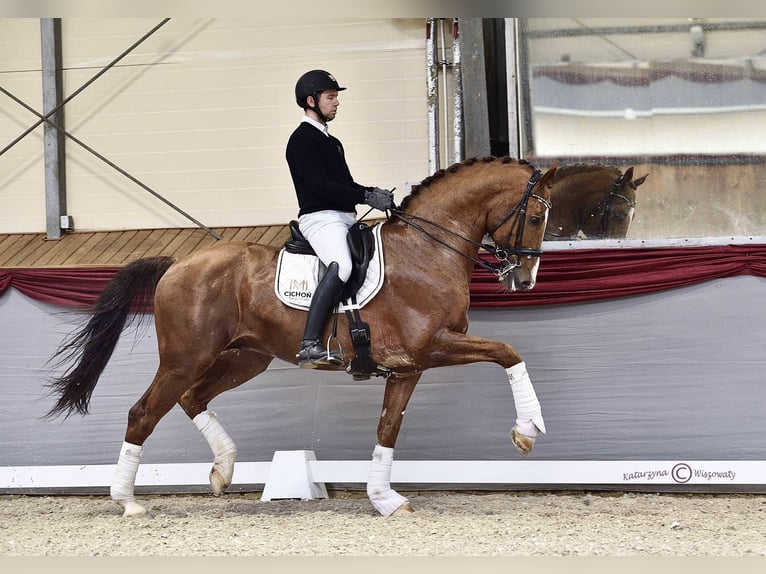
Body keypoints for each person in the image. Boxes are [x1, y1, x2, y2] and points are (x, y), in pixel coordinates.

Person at [286, 69, 395, 369]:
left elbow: (345, 185)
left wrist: (372, 192)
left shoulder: (332, 142)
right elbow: (321, 187)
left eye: (336, 97)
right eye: (330, 97)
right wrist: (364, 197)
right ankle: (309, 343)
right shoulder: (301, 141)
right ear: (311, 101)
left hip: (343, 217)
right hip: (319, 219)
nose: (337, 103)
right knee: (343, 265)